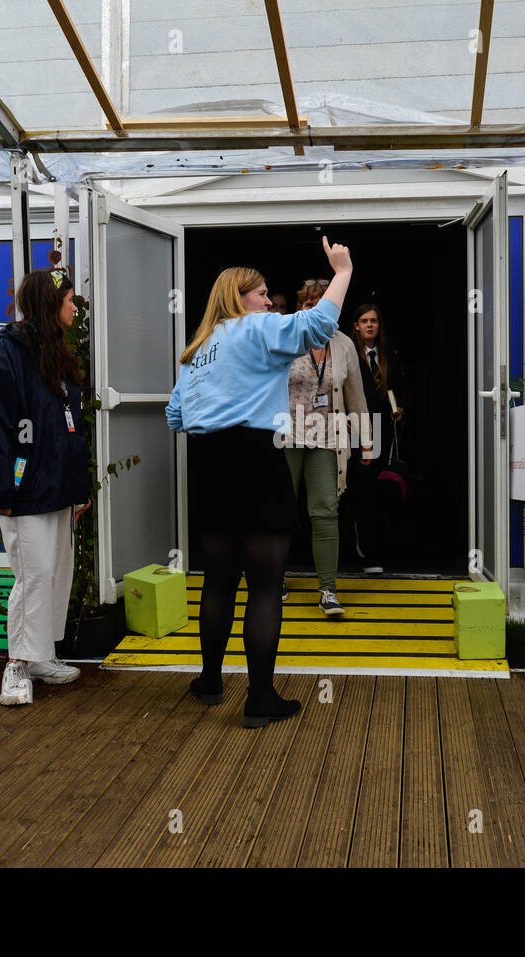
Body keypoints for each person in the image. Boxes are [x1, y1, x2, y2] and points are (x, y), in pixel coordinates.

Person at [165, 237, 352, 727]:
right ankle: (260, 698)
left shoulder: (195, 349)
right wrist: (342, 271)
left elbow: (175, 416)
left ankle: (208, 681)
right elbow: (319, 325)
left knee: (219, 580)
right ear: (239, 298)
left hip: (210, 465)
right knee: (265, 585)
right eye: (263, 293)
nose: (269, 302)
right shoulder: (256, 329)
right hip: (256, 458)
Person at [0, 267, 91, 707]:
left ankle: (40, 656)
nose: (73, 307)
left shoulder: (56, 352)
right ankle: (16, 666)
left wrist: (77, 488)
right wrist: (0, 490)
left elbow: (70, 425)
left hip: (58, 485)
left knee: (56, 572)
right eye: (68, 300)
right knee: (34, 574)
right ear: (49, 302)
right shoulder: (6, 351)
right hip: (23, 489)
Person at [282, 280, 372, 615]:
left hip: (327, 437)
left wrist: (366, 441)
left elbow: (356, 395)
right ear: (299, 308)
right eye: (308, 303)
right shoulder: (284, 336)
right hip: (284, 436)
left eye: (321, 303)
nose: (314, 308)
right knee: (281, 510)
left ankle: (328, 590)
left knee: (325, 512)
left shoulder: (344, 343)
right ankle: (274, 578)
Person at [348, 303, 406, 574]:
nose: (369, 325)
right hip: (356, 429)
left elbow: (397, 390)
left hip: (383, 426)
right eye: (364, 321)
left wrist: (399, 409)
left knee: (380, 490)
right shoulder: (349, 354)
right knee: (361, 488)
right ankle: (363, 550)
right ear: (356, 326)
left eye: (374, 320)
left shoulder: (388, 355)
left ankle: (381, 550)